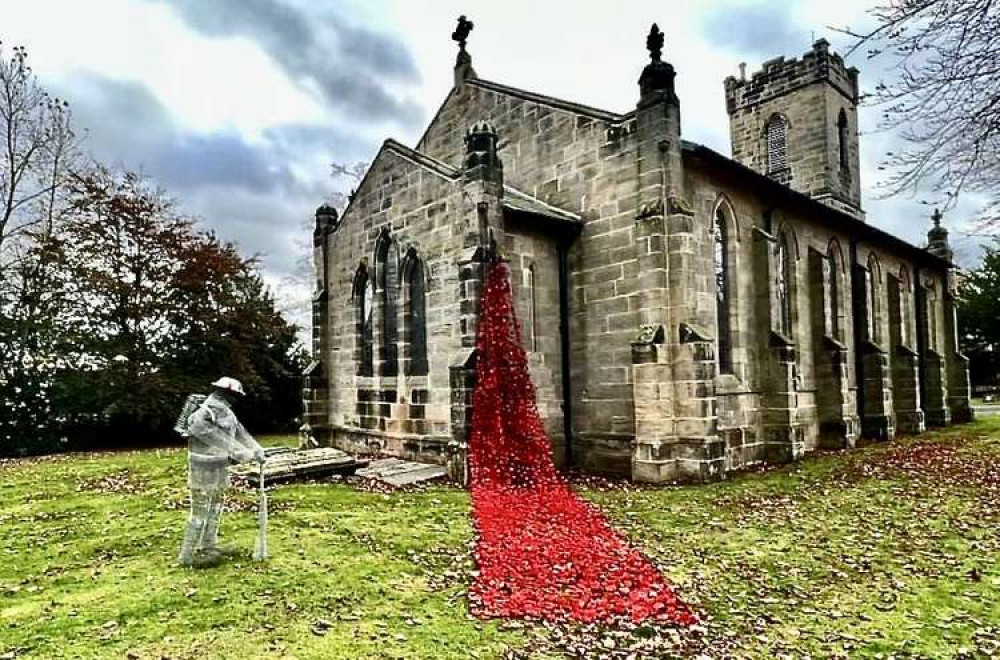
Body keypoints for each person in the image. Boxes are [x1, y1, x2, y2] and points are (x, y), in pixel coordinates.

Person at [177, 377, 265, 568]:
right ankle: (187, 555)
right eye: (232, 395)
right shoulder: (202, 414)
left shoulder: (226, 413)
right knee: (199, 511)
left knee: (216, 507)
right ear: (222, 392)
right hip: (202, 467)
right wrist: (240, 452)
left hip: (220, 465)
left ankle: (209, 546)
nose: (234, 399)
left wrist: (256, 448)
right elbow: (214, 437)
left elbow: (239, 431)